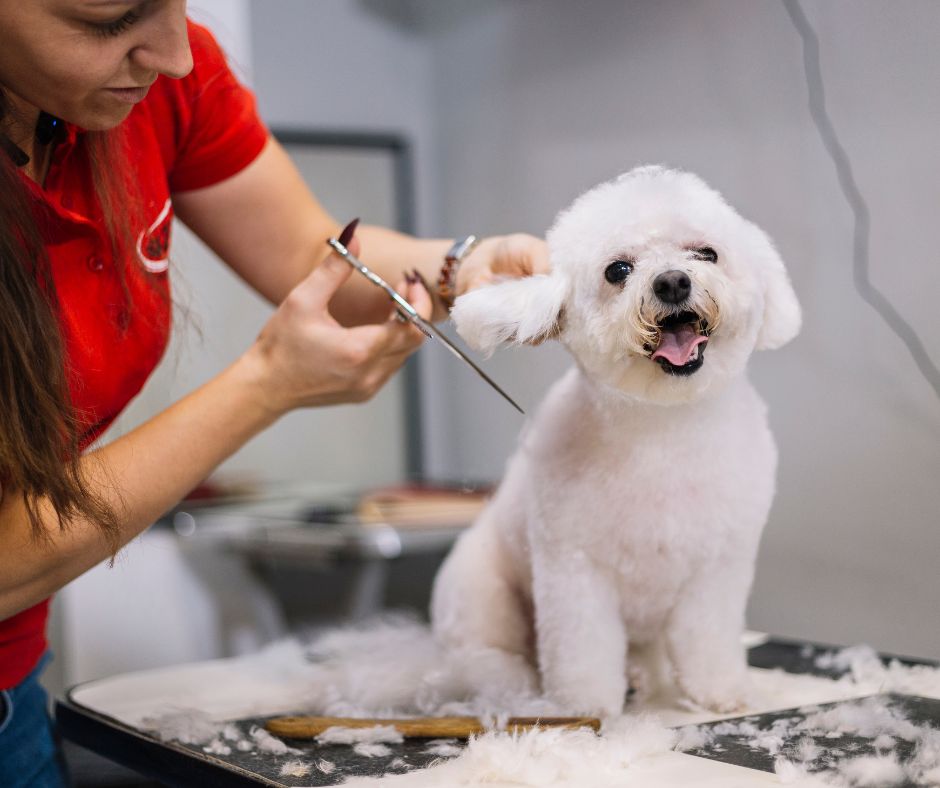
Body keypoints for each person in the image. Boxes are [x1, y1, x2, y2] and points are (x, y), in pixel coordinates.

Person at [0, 2, 549, 784]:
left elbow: (305, 253)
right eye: (112, 20)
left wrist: (462, 268)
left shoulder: (163, 81)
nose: (175, 55)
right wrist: (264, 387)